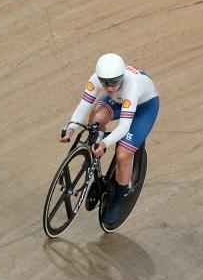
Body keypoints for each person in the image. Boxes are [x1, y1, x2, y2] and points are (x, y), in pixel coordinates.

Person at [60, 53, 159, 228]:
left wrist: (105, 143)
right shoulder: (97, 79)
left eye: (114, 82)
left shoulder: (132, 85)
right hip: (121, 101)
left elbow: (124, 126)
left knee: (122, 155)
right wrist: (71, 128)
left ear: (122, 76)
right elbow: (84, 104)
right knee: (96, 118)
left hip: (144, 107)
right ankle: (95, 160)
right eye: (105, 83)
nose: (110, 88)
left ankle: (118, 201)